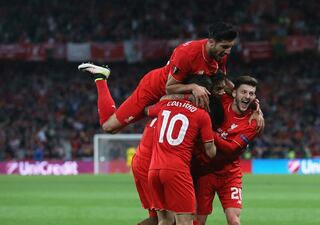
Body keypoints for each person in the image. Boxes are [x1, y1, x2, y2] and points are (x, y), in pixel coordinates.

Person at [77, 22, 238, 134]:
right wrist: (193, 87)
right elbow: (170, 87)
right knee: (109, 127)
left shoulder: (220, 54)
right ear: (211, 42)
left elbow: (221, 81)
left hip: (176, 97)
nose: (228, 52)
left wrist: (244, 97)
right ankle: (100, 77)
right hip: (154, 90)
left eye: (230, 47)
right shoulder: (187, 53)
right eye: (224, 47)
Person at [145, 76, 217, 225]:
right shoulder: (202, 115)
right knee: (185, 221)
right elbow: (211, 152)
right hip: (176, 171)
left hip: (153, 171)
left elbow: (148, 110)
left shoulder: (165, 105)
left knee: (164, 221)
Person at [193, 76, 261, 225]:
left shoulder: (254, 122)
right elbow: (215, 79)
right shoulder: (222, 100)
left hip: (229, 174)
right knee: (198, 221)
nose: (247, 96)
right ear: (234, 93)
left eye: (251, 94)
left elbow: (231, 149)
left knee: (234, 221)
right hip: (205, 172)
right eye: (244, 92)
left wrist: (207, 130)